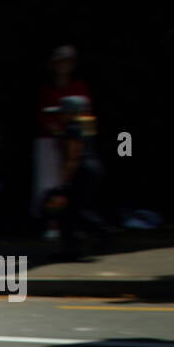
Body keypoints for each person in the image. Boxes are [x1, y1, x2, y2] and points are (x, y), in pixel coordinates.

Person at [33, 46, 92, 236]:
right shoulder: (47, 89)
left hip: (73, 140)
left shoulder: (79, 86)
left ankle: (74, 224)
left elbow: (86, 116)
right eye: (59, 61)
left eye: (67, 61)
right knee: (49, 183)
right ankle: (52, 224)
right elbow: (42, 115)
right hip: (49, 140)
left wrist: (79, 137)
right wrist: (55, 130)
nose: (63, 65)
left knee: (71, 181)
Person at [45, 94, 107, 259]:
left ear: (72, 113)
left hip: (82, 171)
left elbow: (73, 157)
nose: (60, 116)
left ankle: (101, 232)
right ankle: (73, 249)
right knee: (74, 210)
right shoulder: (87, 126)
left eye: (63, 113)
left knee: (72, 209)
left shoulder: (73, 128)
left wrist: (64, 181)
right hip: (93, 169)